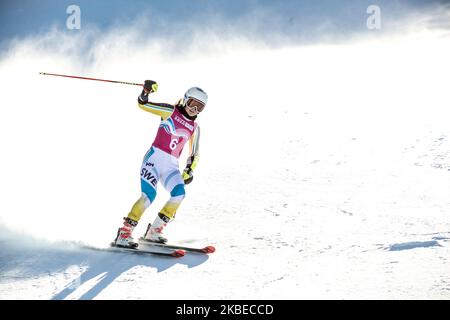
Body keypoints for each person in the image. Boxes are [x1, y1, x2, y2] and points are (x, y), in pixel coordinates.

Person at [114, 80, 207, 248]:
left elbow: (195, 154)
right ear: (185, 99)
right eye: (193, 104)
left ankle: (154, 231)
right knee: (149, 196)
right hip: (153, 160)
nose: (194, 109)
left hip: (171, 166)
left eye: (199, 107)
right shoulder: (170, 111)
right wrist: (146, 91)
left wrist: (189, 170)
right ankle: (124, 233)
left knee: (179, 194)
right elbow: (143, 104)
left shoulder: (195, 127)